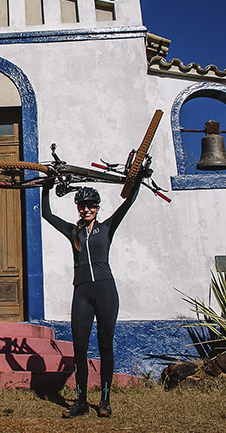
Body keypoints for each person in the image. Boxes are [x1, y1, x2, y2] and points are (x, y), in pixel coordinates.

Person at [41, 178, 142, 418]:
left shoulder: (107, 227)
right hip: (82, 293)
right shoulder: (73, 231)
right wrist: (46, 186)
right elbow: (46, 214)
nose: (86, 209)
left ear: (97, 207)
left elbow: (129, 201)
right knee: (80, 347)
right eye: (82, 206)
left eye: (91, 205)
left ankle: (105, 400)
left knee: (105, 345)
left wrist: (137, 177)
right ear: (78, 208)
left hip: (106, 291)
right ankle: (81, 401)